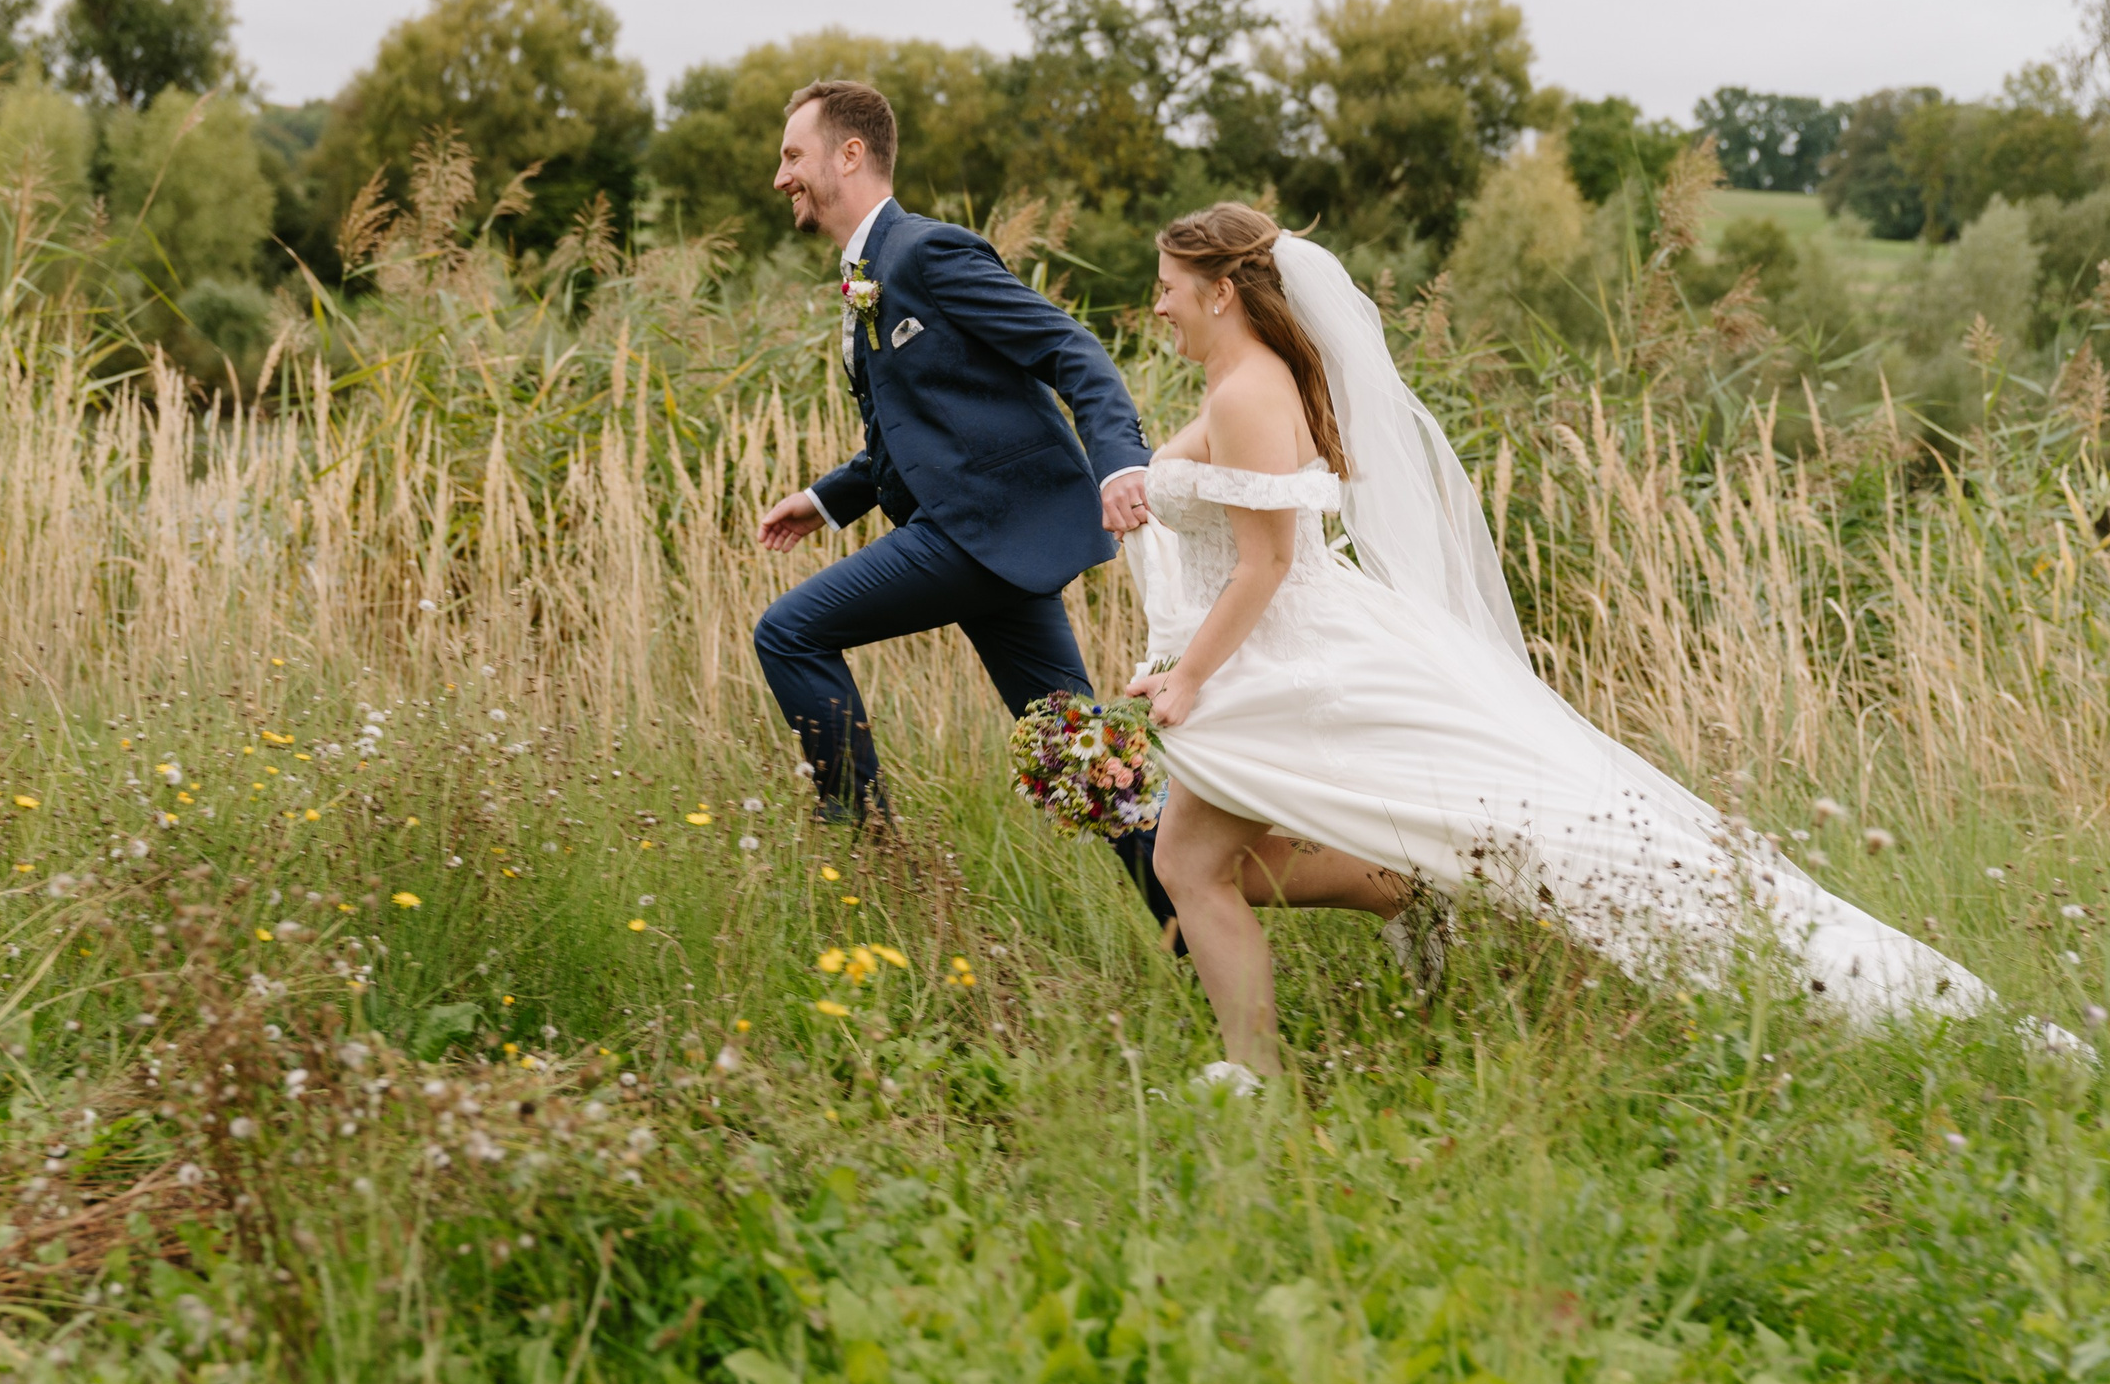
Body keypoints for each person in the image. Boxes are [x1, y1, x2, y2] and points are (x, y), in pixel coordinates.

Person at [1125, 202, 2014, 1092]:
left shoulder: (1246, 392)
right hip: (1266, 651)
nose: (1158, 305)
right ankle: (1389, 895)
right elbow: (1223, 517)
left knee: (1192, 864)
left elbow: (1269, 561)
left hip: (1280, 658)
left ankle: (1260, 1065)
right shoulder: (1248, 379)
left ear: (1222, 291)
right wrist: (1142, 497)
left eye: (1168, 288)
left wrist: (1188, 677)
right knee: (1204, 864)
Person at [751, 80, 1180, 940]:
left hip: (974, 532)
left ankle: (867, 856)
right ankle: (1202, 929)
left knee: (788, 632)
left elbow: (1069, 347)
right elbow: (923, 431)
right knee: (1079, 758)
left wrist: (1121, 463)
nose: (780, 177)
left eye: (793, 155)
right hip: (991, 545)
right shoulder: (868, 273)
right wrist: (828, 499)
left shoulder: (926, 252)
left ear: (849, 155)